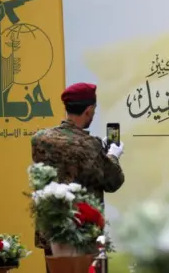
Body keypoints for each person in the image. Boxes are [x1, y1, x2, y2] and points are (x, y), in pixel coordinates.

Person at [31, 82, 125, 270]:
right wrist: (113, 155)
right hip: (84, 233)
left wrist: (99, 153)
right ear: (88, 110)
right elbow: (113, 181)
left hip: (52, 232)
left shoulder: (40, 139)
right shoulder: (90, 145)